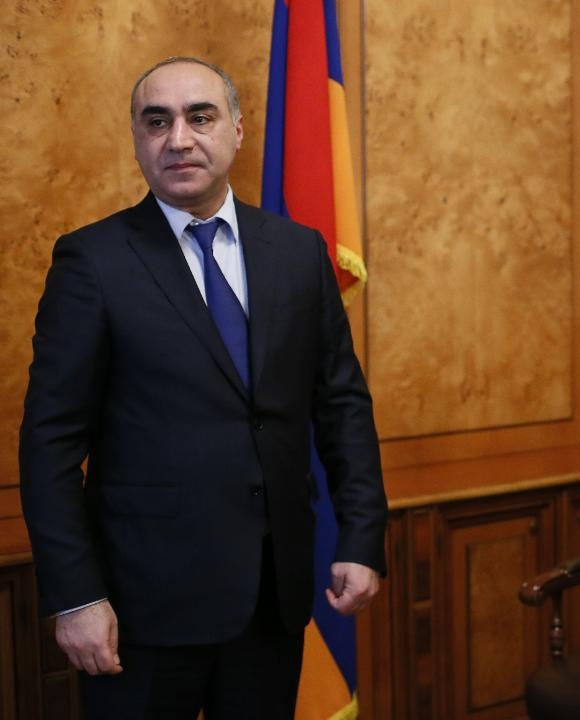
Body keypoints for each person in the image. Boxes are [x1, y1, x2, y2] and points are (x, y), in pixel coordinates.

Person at [19, 56, 388, 719]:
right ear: (137, 138)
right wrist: (76, 596)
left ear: (238, 131)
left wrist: (361, 539)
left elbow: (342, 406)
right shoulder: (92, 261)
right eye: (157, 121)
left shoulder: (298, 251)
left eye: (200, 117)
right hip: (141, 611)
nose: (179, 139)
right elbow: (49, 444)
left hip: (271, 599)